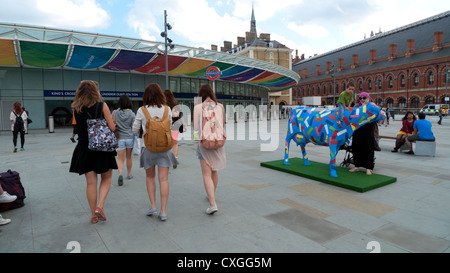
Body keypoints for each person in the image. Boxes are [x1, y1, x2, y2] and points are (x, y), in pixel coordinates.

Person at [69, 80, 118, 224]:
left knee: (91, 183)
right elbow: (112, 128)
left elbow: (78, 129)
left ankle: (93, 215)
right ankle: (100, 207)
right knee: (107, 178)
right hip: (102, 148)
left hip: (84, 148)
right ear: (95, 92)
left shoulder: (76, 108)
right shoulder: (102, 106)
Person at [132, 83, 178, 221]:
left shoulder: (141, 110)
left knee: (150, 178)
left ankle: (153, 206)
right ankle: (163, 211)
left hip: (148, 148)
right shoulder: (167, 109)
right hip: (165, 148)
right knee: (163, 179)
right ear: (160, 95)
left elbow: (135, 130)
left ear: (146, 96)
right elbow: (169, 126)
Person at [193, 84, 226, 214]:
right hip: (218, 142)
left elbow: (196, 129)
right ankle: (211, 194)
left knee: (206, 174)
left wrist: (197, 141)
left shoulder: (198, 107)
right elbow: (222, 125)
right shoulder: (220, 106)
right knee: (214, 170)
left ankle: (212, 204)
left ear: (201, 95)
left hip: (205, 144)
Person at [349, 92, 376, 175]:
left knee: (368, 147)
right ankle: (357, 165)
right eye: (360, 98)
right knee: (356, 146)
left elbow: (376, 115)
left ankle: (369, 167)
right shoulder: (357, 107)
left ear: (368, 98)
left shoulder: (371, 106)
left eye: (364, 98)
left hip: (368, 128)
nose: (362, 100)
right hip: (358, 128)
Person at [112, 95, 136, 186]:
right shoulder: (132, 114)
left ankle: (120, 174)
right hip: (129, 138)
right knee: (129, 157)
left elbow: (110, 122)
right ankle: (129, 174)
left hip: (119, 138)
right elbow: (134, 128)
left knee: (120, 159)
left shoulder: (115, 112)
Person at [163, 89, 186, 168]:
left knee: (167, 144)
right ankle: (175, 159)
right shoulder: (176, 105)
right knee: (175, 144)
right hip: (176, 126)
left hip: (166, 126)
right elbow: (181, 116)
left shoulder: (163, 105)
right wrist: (184, 124)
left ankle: (168, 159)